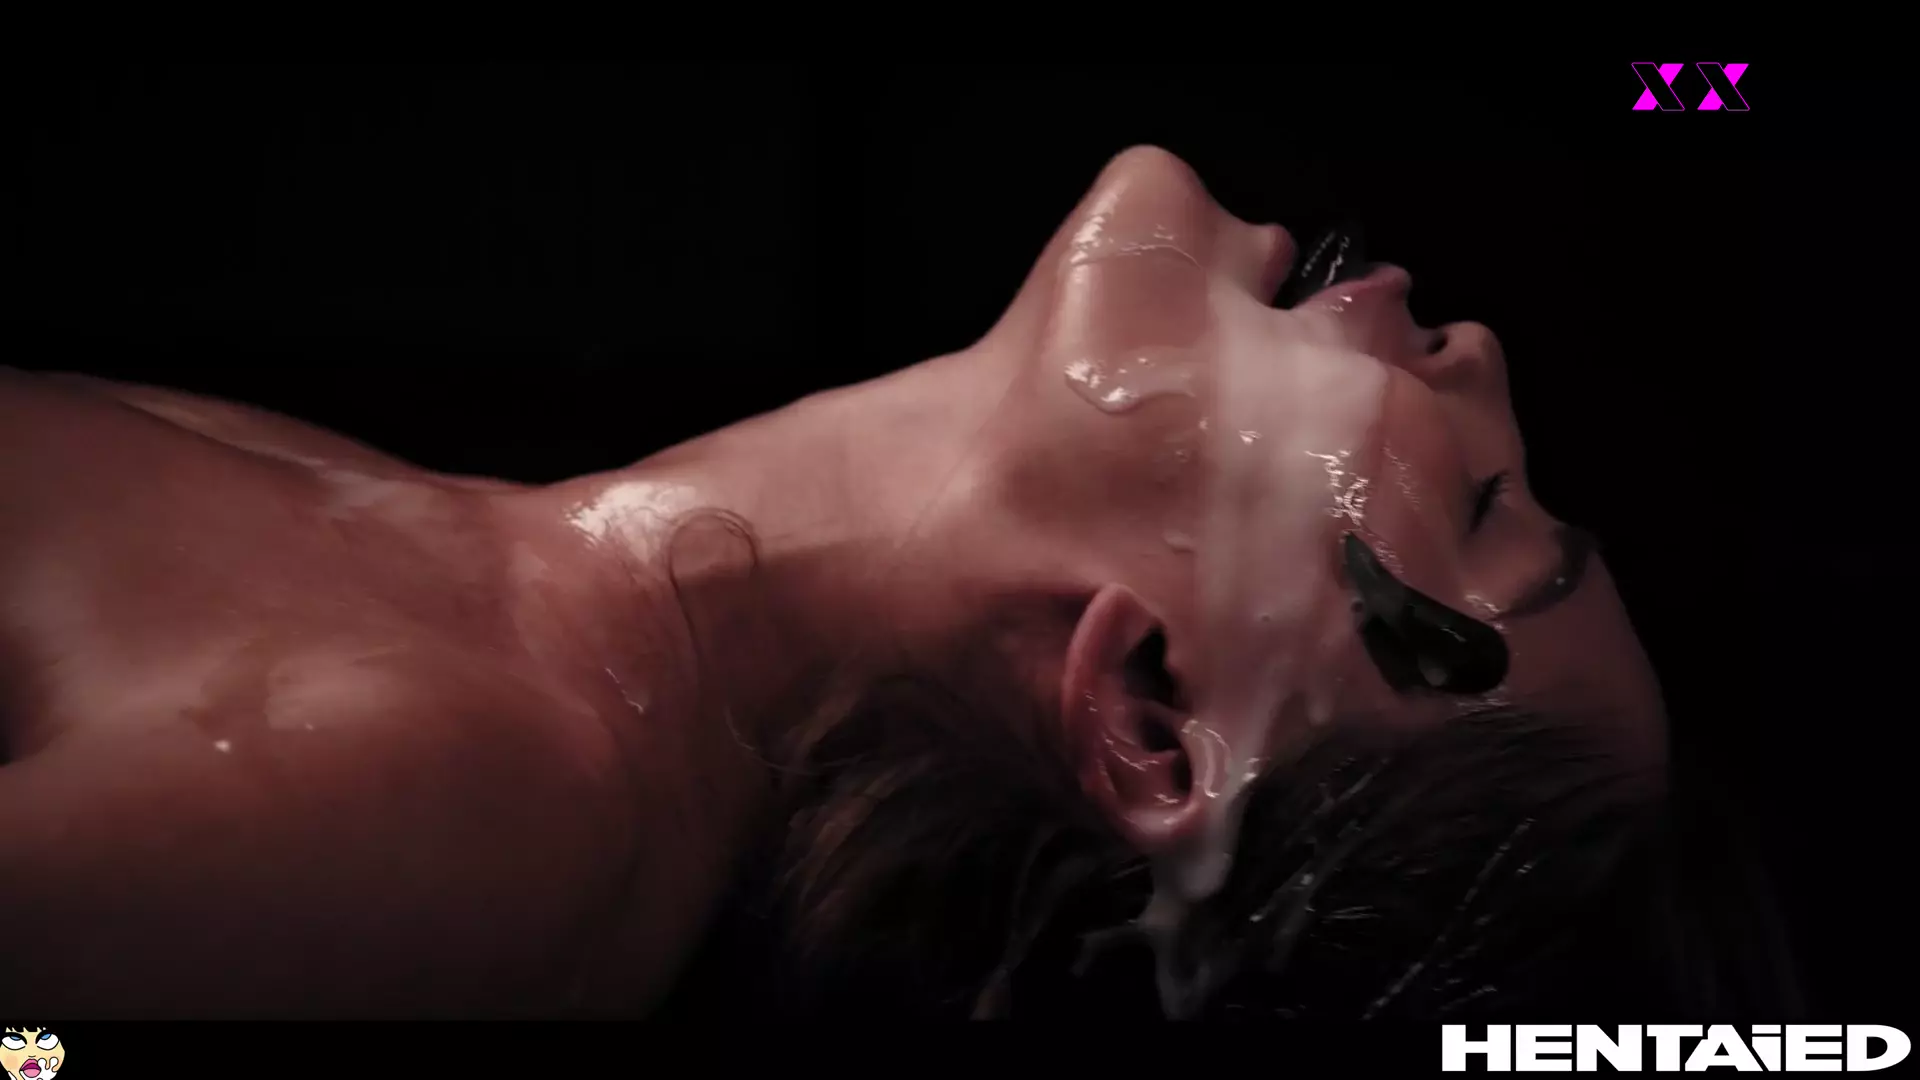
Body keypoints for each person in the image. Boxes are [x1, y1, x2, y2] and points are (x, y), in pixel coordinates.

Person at [0, 146, 1797, 1019]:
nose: (1482, 355)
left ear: (1154, 714)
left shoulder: (473, 800)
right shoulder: (473, 607)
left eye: (1483, 512)